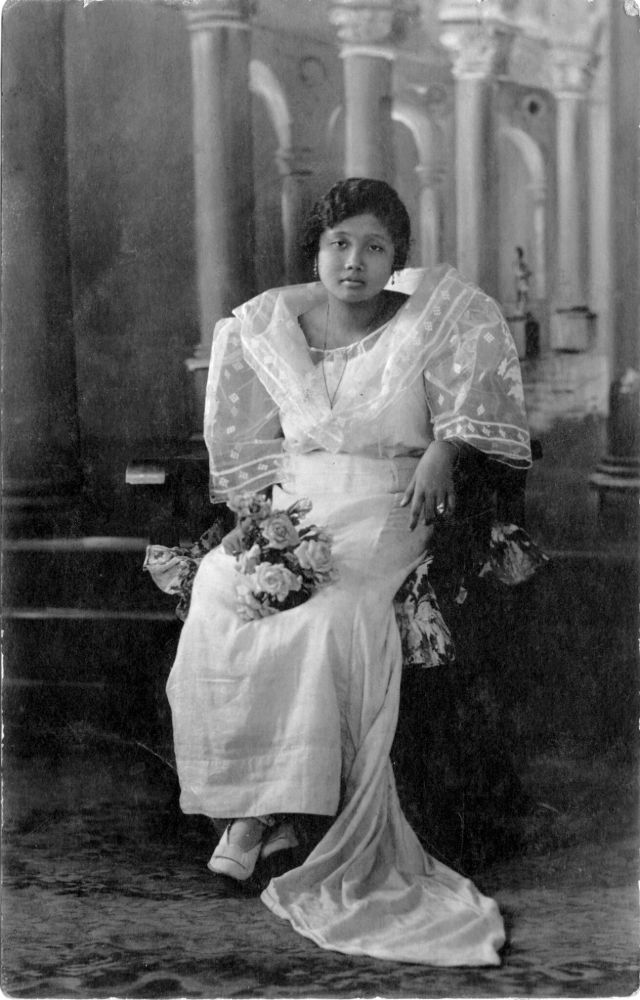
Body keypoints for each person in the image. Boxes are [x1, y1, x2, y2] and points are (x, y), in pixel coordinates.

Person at [166, 178, 531, 966]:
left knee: (335, 614)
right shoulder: (271, 325)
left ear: (396, 257)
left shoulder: (433, 317)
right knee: (222, 591)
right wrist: (259, 527)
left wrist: (443, 448)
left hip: (386, 505)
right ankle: (254, 807)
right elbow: (253, 447)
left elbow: (473, 404)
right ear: (317, 252)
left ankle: (280, 813)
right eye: (339, 244)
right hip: (299, 506)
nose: (354, 261)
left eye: (374, 246)